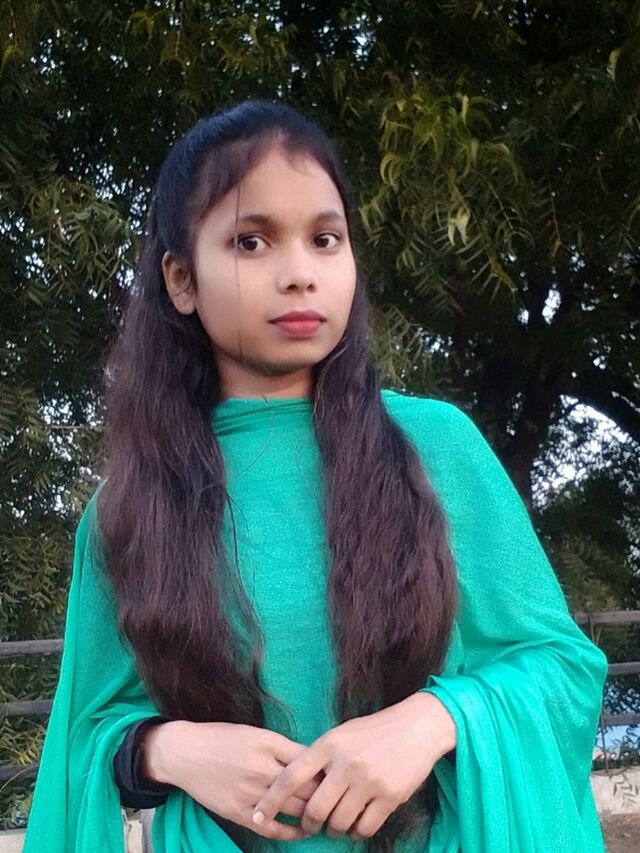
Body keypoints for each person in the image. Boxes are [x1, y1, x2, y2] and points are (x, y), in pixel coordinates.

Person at [23, 100, 608, 853]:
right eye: (251, 240)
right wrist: (168, 748)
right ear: (181, 279)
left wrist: (433, 720)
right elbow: (87, 731)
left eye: (325, 239)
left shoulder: (435, 447)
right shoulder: (130, 508)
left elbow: (561, 669)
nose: (300, 274)